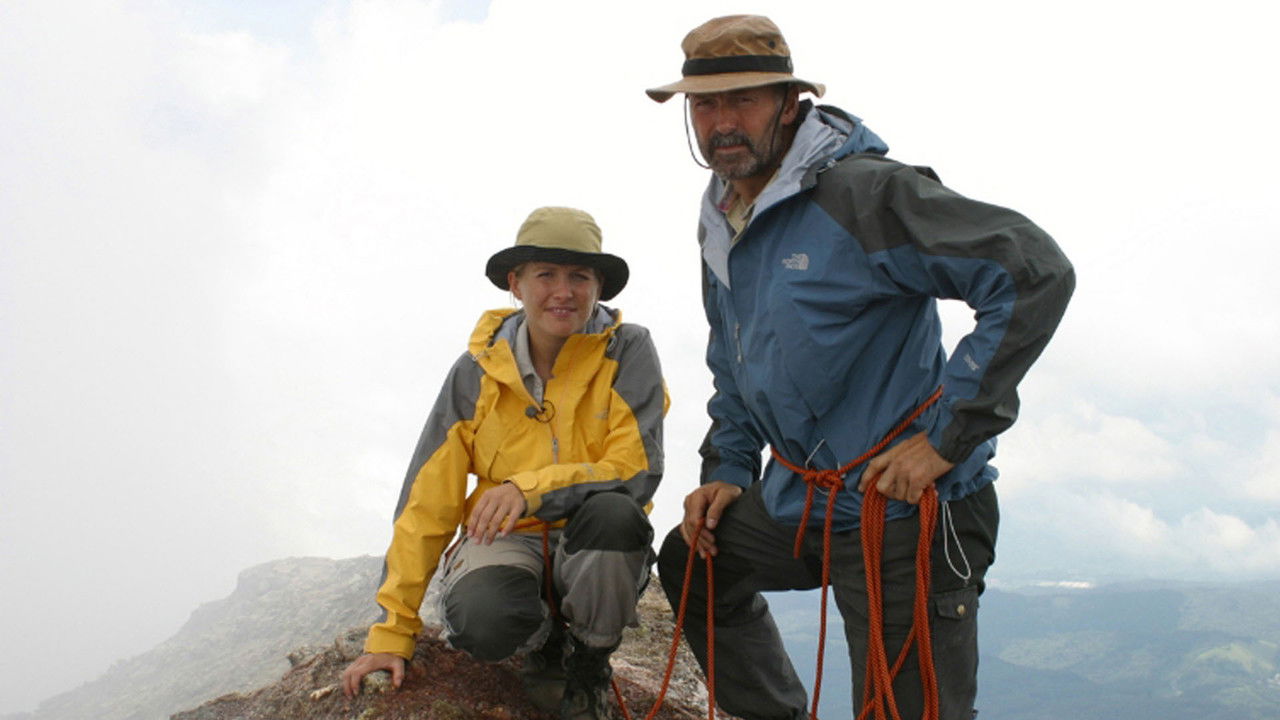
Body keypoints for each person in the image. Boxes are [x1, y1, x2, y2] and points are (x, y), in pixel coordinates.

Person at [645, 15, 1074, 720]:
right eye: (704, 103)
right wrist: (726, 469)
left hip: (904, 511)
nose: (721, 121)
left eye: (742, 99)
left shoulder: (864, 195)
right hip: (805, 500)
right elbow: (735, 361)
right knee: (695, 564)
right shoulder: (723, 216)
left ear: (790, 103)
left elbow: (1032, 272)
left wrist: (945, 439)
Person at [341, 207, 668, 720]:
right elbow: (427, 502)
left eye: (579, 276)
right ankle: (544, 644)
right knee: (482, 619)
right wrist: (391, 632)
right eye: (546, 275)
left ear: (598, 286)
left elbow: (634, 469)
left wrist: (528, 489)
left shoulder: (628, 350)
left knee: (615, 515)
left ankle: (588, 662)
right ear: (515, 284)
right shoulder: (476, 372)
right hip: (508, 536)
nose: (563, 291)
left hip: (589, 537)